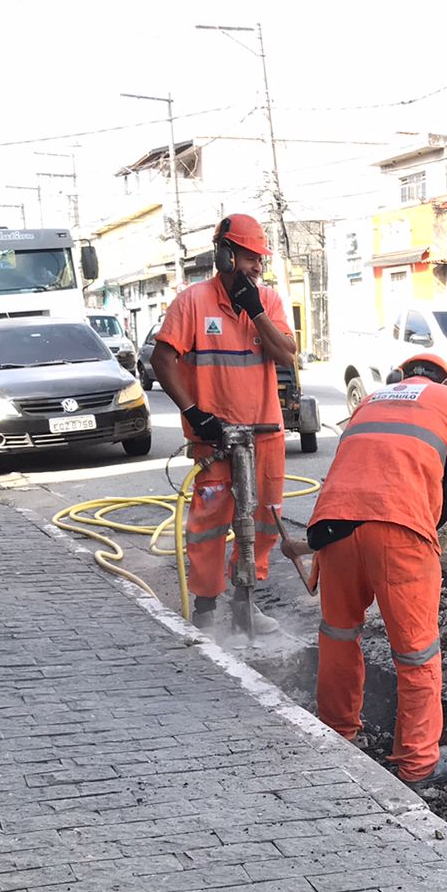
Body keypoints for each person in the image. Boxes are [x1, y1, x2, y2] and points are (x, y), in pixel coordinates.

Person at [291, 352, 447, 788]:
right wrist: (424, 527)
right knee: (416, 652)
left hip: (331, 525)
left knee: (338, 633)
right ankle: (418, 764)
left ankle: (338, 735)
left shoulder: (370, 400)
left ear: (402, 377)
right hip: (399, 530)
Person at [151, 214, 298, 632]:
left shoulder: (267, 302)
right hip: (214, 435)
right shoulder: (192, 302)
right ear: (226, 255)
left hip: (264, 433)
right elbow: (163, 360)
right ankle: (207, 607)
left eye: (260, 260)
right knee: (210, 522)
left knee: (265, 519)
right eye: (251, 258)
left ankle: (244, 600)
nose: (257, 267)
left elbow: (287, 354)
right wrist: (194, 412)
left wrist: (256, 312)